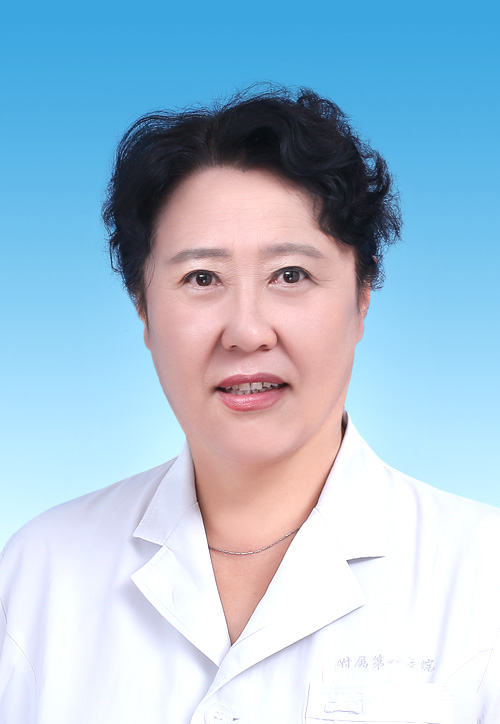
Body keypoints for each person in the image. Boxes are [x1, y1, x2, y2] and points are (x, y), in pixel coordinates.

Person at [0, 87, 499, 724]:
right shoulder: (40, 572)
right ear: (143, 309)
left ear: (362, 297)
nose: (246, 331)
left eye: (290, 275)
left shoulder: (484, 578)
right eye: (201, 278)